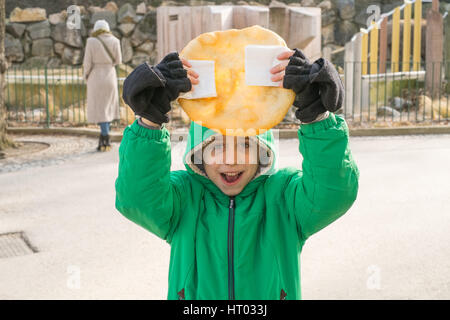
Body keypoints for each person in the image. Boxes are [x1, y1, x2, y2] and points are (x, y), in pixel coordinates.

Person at [115, 49, 359, 300]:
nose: (230, 159)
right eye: (217, 146)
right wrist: (149, 120)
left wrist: (317, 117)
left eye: (245, 144)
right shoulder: (184, 198)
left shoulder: (284, 197)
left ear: (262, 152)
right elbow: (136, 197)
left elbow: (333, 192)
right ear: (198, 153)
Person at [83, 20, 122, 152]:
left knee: (100, 108)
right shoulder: (115, 41)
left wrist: (86, 75)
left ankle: (105, 136)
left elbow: (87, 62)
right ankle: (104, 137)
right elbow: (118, 60)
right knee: (108, 107)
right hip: (110, 75)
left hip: (95, 76)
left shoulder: (91, 41)